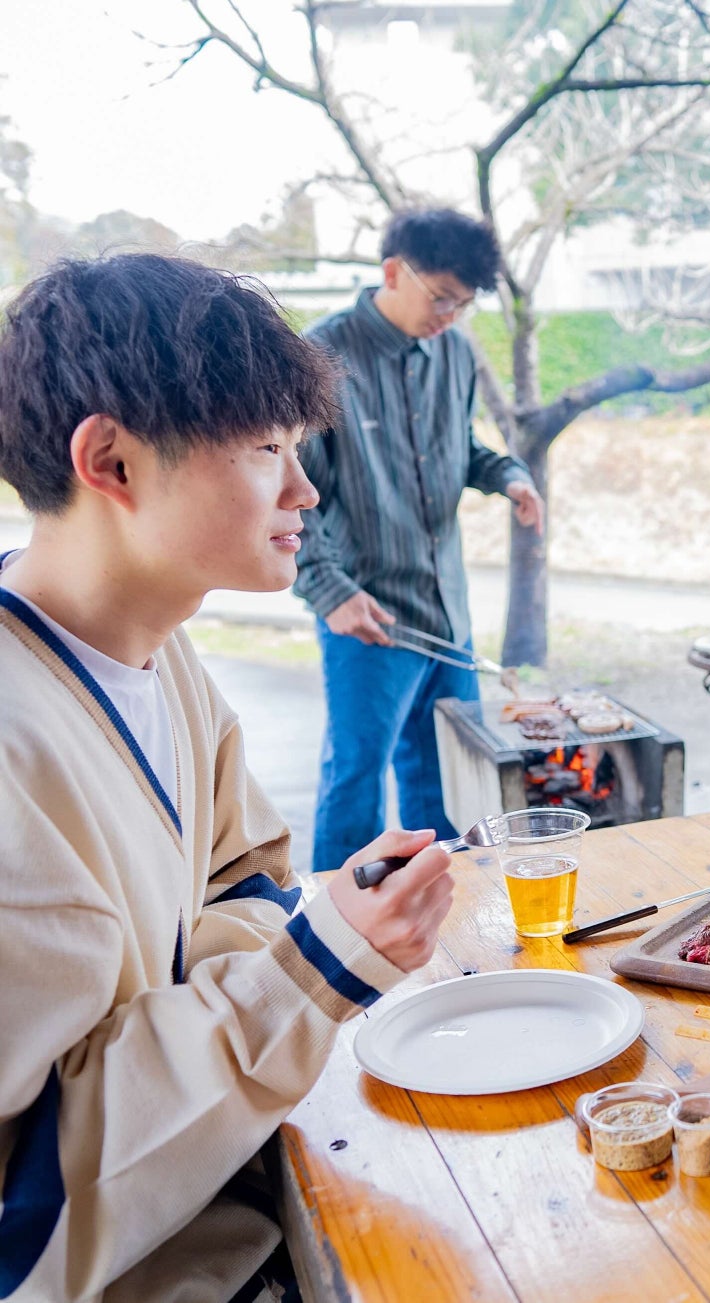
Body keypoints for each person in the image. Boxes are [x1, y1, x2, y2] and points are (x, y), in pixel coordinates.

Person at [0, 253, 456, 1302]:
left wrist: (281, 951)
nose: (305, 490)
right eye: (266, 450)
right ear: (109, 461)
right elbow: (36, 1203)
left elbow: (244, 880)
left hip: (229, 1195)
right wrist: (314, 967)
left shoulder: (159, 647)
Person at [296, 207, 544, 875]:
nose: (450, 316)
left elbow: (459, 448)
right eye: (441, 298)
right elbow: (292, 487)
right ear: (391, 272)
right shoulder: (320, 356)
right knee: (356, 778)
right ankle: (332, 928)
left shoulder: (456, 352)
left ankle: (443, 916)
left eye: (463, 305)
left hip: (447, 615)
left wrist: (509, 477)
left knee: (447, 784)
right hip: (368, 615)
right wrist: (328, 590)